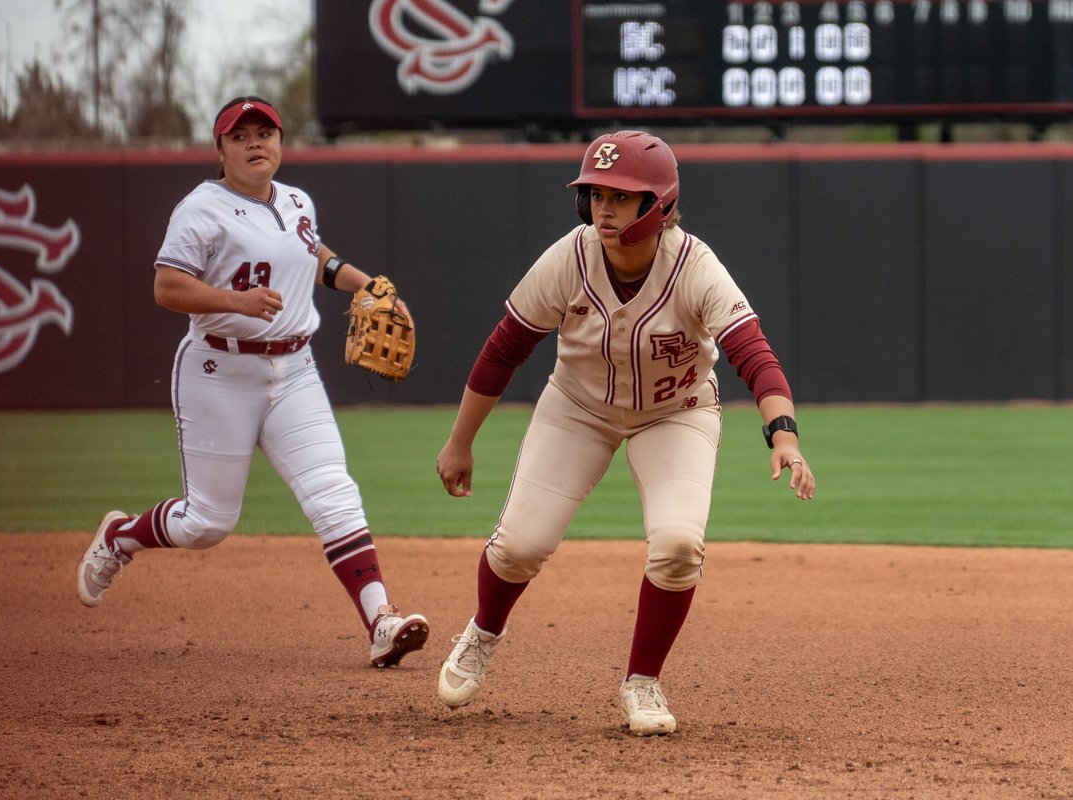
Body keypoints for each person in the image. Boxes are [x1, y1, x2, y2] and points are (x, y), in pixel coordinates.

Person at [433, 130, 816, 735]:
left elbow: (752, 353)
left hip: (677, 411)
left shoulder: (694, 266)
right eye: (595, 194)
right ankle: (483, 631)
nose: (604, 208)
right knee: (519, 547)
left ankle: (642, 681)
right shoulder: (570, 257)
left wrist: (783, 435)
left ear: (657, 205)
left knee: (678, 545)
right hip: (578, 407)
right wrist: (461, 440)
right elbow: (503, 349)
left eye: (621, 195)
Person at [76, 96, 429, 669]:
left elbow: (313, 252)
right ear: (221, 150)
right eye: (241, 137)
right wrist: (234, 300)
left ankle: (381, 622)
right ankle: (121, 537)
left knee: (335, 495)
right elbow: (167, 287)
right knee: (208, 523)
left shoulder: (295, 201)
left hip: (295, 371)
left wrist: (366, 284)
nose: (255, 143)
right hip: (219, 370)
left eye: (266, 133)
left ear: (282, 143)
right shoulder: (201, 210)